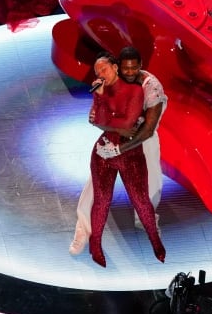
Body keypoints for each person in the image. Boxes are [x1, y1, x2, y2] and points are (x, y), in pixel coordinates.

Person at [69, 46, 168, 255]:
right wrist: (111, 125)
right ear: (118, 67)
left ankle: (147, 222)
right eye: (124, 69)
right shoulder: (112, 81)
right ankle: (83, 230)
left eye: (133, 69)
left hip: (144, 139)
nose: (128, 73)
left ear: (140, 66)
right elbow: (98, 119)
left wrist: (120, 148)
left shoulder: (152, 87)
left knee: (151, 186)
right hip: (115, 139)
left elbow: (147, 130)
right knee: (94, 189)